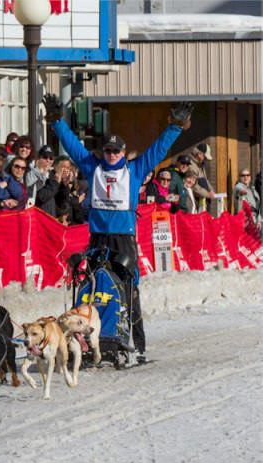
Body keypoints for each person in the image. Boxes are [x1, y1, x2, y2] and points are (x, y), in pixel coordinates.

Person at [44, 93, 192, 365]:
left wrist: (175, 127)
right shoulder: (93, 167)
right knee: (92, 287)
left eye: (116, 151)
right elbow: (72, 146)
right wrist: (56, 122)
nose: (111, 155)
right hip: (98, 237)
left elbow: (158, 150)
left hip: (123, 239)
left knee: (129, 289)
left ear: (123, 153)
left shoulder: (135, 170)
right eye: (108, 151)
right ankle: (88, 339)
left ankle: (138, 344)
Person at [189, 143, 215, 212]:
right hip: (196, 202)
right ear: (199, 154)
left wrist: (211, 190)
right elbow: (193, 185)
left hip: (203, 200)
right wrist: (207, 194)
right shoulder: (190, 165)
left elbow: (205, 180)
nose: (205, 160)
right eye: (205, 157)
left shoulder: (200, 165)